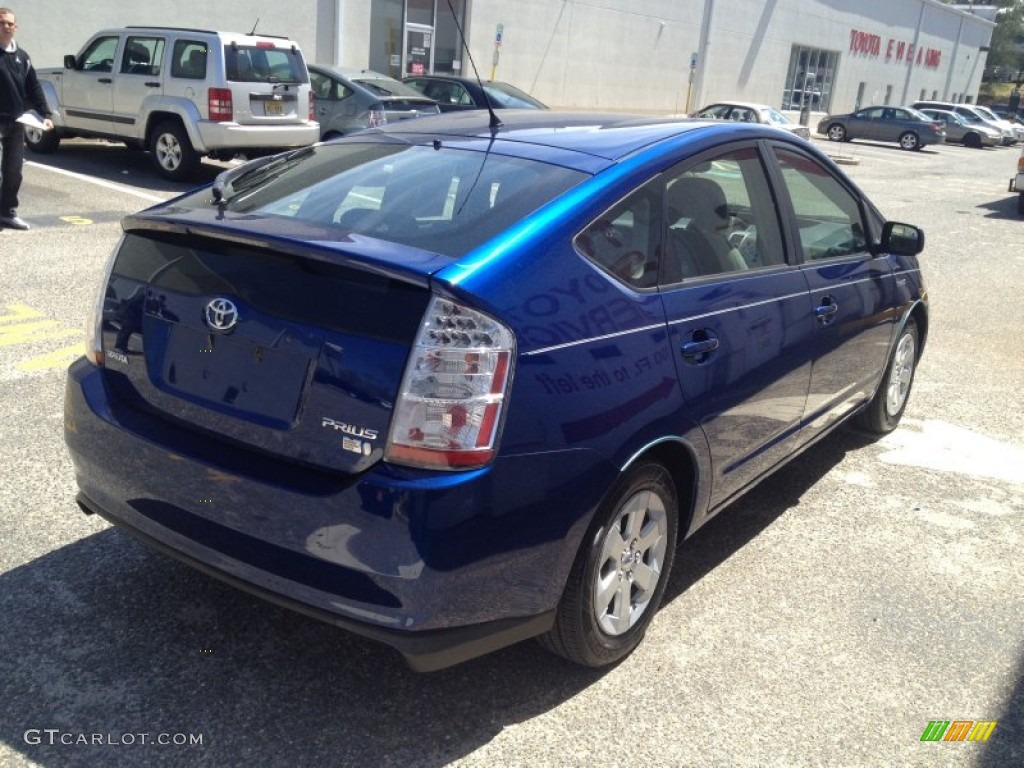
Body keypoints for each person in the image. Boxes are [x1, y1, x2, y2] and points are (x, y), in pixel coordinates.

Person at [0, 7, 53, 231]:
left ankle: (7, 212)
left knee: (13, 170)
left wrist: (46, 114)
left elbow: (34, 87)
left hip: (17, 120)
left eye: (10, 23)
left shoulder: (22, 57)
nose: (6, 27)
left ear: (16, 27)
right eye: (2, 22)